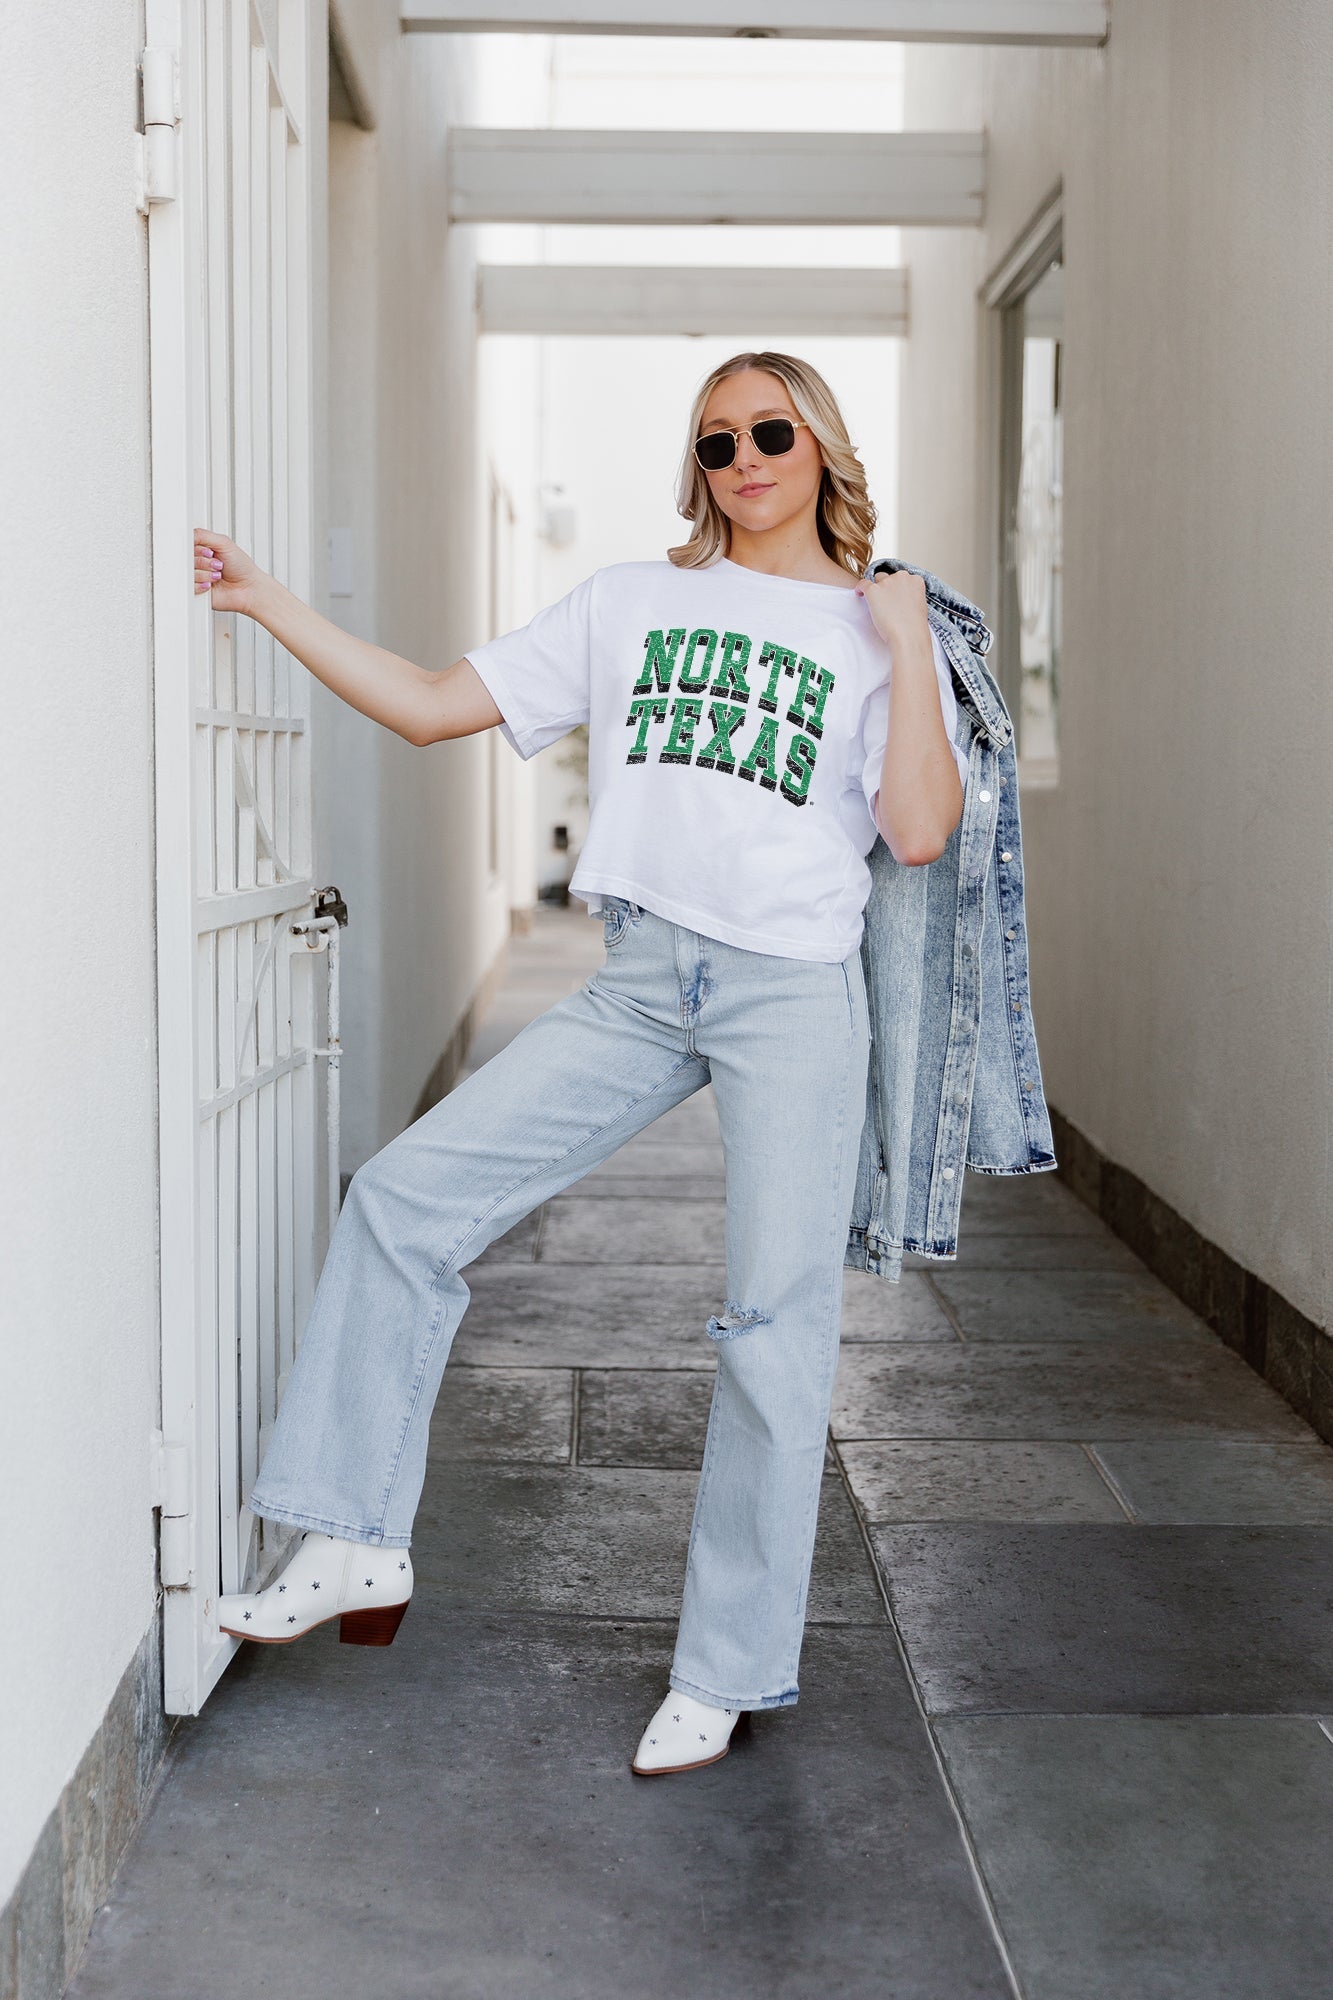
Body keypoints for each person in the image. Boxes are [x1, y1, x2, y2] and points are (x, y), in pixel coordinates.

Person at [196, 350, 970, 1777]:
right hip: (641, 981)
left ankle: (726, 1670)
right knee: (403, 1197)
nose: (743, 458)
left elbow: (918, 830)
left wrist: (908, 638)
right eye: (716, 440)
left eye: (770, 431)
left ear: (820, 446)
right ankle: (352, 1536)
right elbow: (432, 703)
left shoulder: (874, 630)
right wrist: (265, 598)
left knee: (772, 1330)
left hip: (792, 994)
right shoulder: (631, 601)